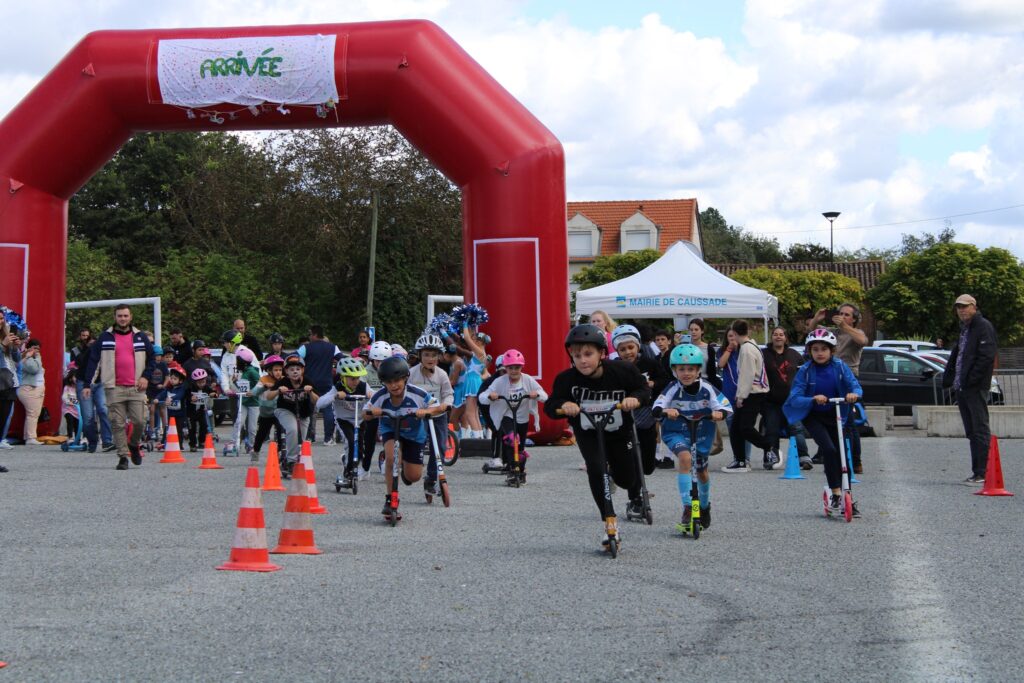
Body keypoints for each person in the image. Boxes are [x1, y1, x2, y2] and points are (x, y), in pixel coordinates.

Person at [544, 325, 650, 549]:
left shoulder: (622, 371)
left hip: (620, 432)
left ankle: (613, 475)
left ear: (602, 353)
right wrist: (565, 404)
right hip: (589, 433)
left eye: (588, 354)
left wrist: (635, 399)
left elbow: (643, 390)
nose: (583, 361)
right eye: (577, 355)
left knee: (626, 480)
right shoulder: (566, 380)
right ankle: (609, 524)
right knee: (595, 468)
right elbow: (551, 406)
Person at [783, 329, 862, 517]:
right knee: (829, 449)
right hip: (814, 415)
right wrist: (812, 399)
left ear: (832, 351)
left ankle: (847, 495)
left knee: (842, 453)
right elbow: (795, 397)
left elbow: (855, 386)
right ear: (809, 352)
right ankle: (835, 493)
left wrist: (853, 395)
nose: (820, 353)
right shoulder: (805, 371)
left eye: (824, 349)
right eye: (815, 349)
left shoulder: (840, 367)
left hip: (836, 413)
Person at [653, 344, 732, 532]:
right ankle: (689, 507)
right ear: (675, 370)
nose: (686, 373)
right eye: (681, 369)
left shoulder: (707, 389)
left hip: (701, 433)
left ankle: (703, 507)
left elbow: (726, 407)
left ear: (698, 370)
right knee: (685, 458)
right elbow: (656, 407)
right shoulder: (672, 388)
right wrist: (666, 410)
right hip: (676, 432)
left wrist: (719, 413)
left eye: (691, 369)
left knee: (702, 473)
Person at [366, 356, 445, 520]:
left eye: (397, 381)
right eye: (389, 382)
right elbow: (365, 413)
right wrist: (373, 412)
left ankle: (403, 469)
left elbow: (438, 407)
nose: (393, 385)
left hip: (414, 435)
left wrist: (426, 411)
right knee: (390, 458)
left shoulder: (417, 394)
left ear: (405, 378)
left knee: (413, 476)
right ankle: (390, 498)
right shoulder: (380, 396)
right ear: (384, 383)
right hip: (391, 431)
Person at [81, 304, 157, 470]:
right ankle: (122, 456)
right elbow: (94, 361)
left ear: (130, 317)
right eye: (119, 316)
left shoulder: (140, 337)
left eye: (125, 315)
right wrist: (88, 384)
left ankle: (133, 444)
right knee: (117, 423)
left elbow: (152, 359)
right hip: (114, 387)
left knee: (139, 421)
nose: (122, 318)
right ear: (115, 317)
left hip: (137, 386)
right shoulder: (105, 337)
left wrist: (145, 376)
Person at [941, 294, 998, 485]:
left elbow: (986, 356)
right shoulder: (965, 329)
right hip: (962, 387)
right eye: (958, 307)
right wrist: (951, 379)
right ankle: (978, 471)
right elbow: (959, 355)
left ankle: (983, 472)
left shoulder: (983, 327)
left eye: (965, 306)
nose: (961, 310)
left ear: (974, 306)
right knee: (971, 430)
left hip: (974, 387)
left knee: (979, 428)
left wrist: (972, 380)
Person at [609, 324, 670, 494]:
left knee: (648, 465)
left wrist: (653, 383)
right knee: (631, 459)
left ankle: (634, 480)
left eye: (631, 347)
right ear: (617, 351)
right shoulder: (613, 366)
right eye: (622, 349)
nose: (628, 352)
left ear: (638, 346)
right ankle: (635, 496)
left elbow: (664, 380)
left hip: (646, 416)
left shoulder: (649, 363)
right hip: (624, 418)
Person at [809, 302, 869, 472]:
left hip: (847, 379)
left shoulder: (856, 333)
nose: (842, 316)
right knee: (826, 418)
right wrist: (817, 318)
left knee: (848, 423)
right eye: (840, 313)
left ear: (854, 319)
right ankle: (829, 454)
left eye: (846, 315)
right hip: (828, 377)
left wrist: (844, 326)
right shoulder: (832, 332)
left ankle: (855, 461)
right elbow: (811, 332)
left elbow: (862, 340)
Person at [480, 349, 547, 480]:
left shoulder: (527, 380)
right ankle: (512, 468)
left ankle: (519, 471)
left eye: (517, 367)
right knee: (512, 439)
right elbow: (482, 397)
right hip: (507, 415)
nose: (514, 371)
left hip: (522, 418)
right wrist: (490, 395)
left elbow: (544, 395)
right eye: (510, 368)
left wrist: (537, 394)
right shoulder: (500, 381)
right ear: (506, 368)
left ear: (521, 367)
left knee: (520, 449)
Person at [717, 320, 775, 472]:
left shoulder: (747, 350)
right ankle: (740, 460)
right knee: (736, 428)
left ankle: (768, 446)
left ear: (735, 334)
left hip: (752, 393)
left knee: (745, 428)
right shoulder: (751, 346)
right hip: (752, 392)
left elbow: (746, 375)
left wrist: (741, 396)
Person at [408, 333, 455, 494]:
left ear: (439, 357)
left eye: (434, 355)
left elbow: (448, 393)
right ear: (420, 355)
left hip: (437, 415)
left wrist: (446, 404)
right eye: (427, 355)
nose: (430, 359)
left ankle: (432, 479)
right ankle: (411, 469)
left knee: (440, 447)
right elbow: (405, 393)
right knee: (418, 446)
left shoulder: (441, 374)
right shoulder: (411, 374)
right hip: (419, 417)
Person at [762, 326, 813, 470]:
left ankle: (803, 457)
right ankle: (771, 457)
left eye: (781, 334)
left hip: (791, 401)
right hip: (770, 401)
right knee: (771, 430)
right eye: (775, 334)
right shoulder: (763, 354)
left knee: (796, 429)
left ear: (785, 338)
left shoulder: (794, 355)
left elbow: (804, 375)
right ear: (771, 337)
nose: (778, 337)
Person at [263, 354, 319, 477]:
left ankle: (298, 460)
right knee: (293, 429)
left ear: (302, 370)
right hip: (284, 410)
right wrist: (278, 391)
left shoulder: (307, 381)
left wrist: (310, 392)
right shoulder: (283, 382)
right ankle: (290, 461)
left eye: (298, 369)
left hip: (304, 412)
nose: (295, 372)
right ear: (286, 371)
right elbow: (268, 396)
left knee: (302, 439)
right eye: (291, 369)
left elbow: (317, 400)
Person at [323, 357, 371, 484]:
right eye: (352, 378)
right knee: (351, 441)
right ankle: (348, 472)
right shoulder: (337, 387)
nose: (356, 381)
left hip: (359, 420)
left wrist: (372, 396)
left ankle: (348, 460)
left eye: (357, 378)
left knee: (360, 450)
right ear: (343, 377)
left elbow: (376, 396)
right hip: (343, 420)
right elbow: (319, 403)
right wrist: (335, 396)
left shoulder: (364, 386)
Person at [299, 325, 343, 445]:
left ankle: (307, 438)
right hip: (326, 382)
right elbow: (342, 359)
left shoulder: (306, 347)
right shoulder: (332, 347)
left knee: (307, 409)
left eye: (310, 334)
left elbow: (293, 357)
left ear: (314, 334)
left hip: (309, 383)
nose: (309, 337)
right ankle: (328, 438)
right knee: (328, 409)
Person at [250, 355, 285, 461]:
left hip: (280, 411)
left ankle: (280, 452)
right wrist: (264, 387)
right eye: (275, 370)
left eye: (280, 370)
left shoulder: (284, 380)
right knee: (262, 433)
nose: (278, 372)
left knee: (281, 431)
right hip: (266, 412)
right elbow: (254, 392)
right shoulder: (263, 379)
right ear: (269, 370)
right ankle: (256, 451)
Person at [17, 338, 45, 445]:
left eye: (38, 349)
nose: (37, 351)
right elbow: (34, 369)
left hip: (35, 389)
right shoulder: (26, 358)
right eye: (35, 348)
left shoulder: (34, 359)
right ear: (29, 347)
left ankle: (29, 436)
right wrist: (37, 356)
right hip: (28, 388)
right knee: (32, 414)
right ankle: (30, 437)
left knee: (34, 414)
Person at [0, 320, 21, 456]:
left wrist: (14, 348)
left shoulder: (5, 337)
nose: (1, 321)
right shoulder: (3, 341)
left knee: (2, 421)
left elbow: (17, 359)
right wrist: (2, 345)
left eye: (2, 318)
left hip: (9, 382)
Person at [157, 363, 189, 445]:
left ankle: (179, 444)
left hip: (180, 414)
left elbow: (179, 396)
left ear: (180, 380)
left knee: (178, 429)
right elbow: (163, 394)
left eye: (175, 379)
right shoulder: (169, 389)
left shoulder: (182, 389)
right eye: (171, 378)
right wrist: (157, 398)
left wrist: (172, 398)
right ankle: (164, 441)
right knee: (167, 427)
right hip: (170, 413)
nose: (172, 380)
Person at [186, 368, 217, 452]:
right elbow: (186, 396)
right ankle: (192, 444)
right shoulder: (190, 388)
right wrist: (190, 398)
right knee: (192, 428)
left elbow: (214, 392)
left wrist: (213, 394)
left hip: (201, 411)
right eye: (199, 383)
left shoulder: (206, 388)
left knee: (204, 426)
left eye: (203, 382)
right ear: (194, 382)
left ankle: (201, 441)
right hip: (191, 412)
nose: (201, 384)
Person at [61, 367, 81, 442]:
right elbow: (64, 397)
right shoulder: (67, 387)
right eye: (75, 376)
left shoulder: (79, 388)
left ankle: (77, 438)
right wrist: (71, 402)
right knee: (70, 421)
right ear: (70, 378)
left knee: (77, 424)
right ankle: (70, 437)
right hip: (68, 409)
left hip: (77, 410)